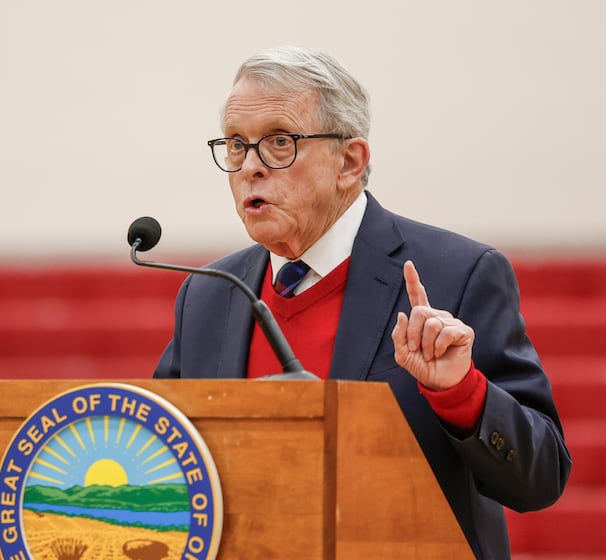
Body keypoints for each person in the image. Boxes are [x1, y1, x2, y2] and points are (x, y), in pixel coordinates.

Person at [153, 45, 571, 558]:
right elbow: (162, 460)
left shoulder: (457, 274)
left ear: (350, 162)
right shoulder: (210, 292)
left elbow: (542, 477)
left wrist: (462, 393)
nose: (250, 168)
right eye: (237, 145)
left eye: (279, 142)